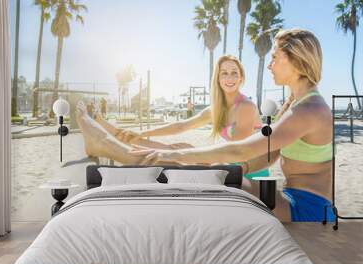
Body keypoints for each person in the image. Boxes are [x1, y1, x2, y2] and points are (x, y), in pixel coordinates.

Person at [129, 28, 335, 223]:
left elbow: (242, 149)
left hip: (310, 209)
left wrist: (173, 156)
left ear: (295, 60)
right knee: (217, 179)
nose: (270, 64)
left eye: (274, 57)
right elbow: (271, 154)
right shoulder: (296, 103)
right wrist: (240, 168)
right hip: (292, 196)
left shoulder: (309, 110)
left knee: (215, 184)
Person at [76, 55, 269, 183]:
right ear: (217, 78)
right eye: (224, 73)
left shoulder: (245, 107)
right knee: (175, 146)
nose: (230, 77)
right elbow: (180, 126)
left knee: (173, 154)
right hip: (230, 163)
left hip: (247, 174)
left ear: (242, 77)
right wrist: (144, 132)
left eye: (234, 72)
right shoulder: (217, 108)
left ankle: (108, 144)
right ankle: (119, 135)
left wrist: (187, 153)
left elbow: (235, 153)